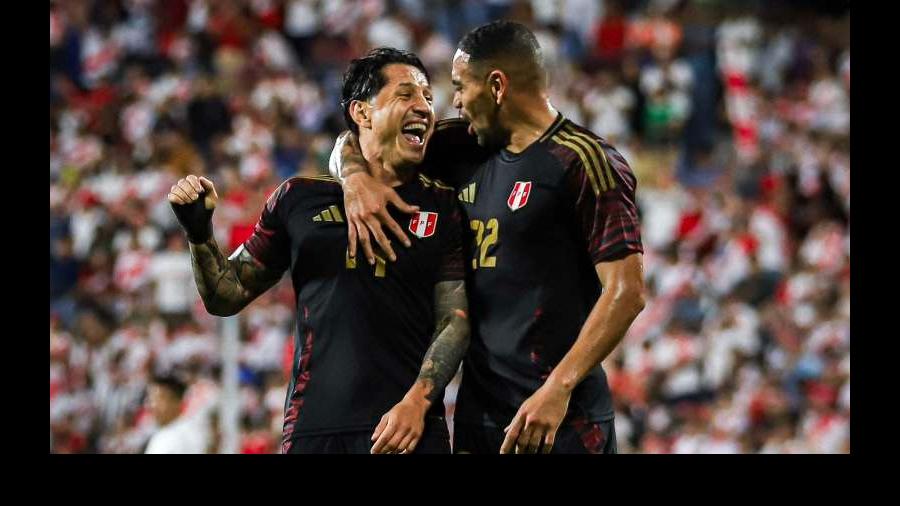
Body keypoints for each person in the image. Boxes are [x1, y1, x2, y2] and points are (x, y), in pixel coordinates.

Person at [331, 21, 645, 454]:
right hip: (481, 415)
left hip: (562, 417)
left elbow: (627, 291)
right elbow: (359, 139)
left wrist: (559, 387)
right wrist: (353, 180)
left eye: (460, 87)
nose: (453, 101)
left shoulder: (584, 161)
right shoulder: (463, 146)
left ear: (496, 85)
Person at [167, 47, 470, 454]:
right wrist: (198, 232)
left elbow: (454, 320)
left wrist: (418, 403)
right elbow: (225, 294)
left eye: (428, 97)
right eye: (406, 95)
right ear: (362, 113)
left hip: (408, 428)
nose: (424, 107)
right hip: (314, 429)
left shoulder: (444, 206)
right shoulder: (298, 199)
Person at [144, 374, 210, 454]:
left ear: (177, 402)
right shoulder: (164, 434)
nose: (151, 405)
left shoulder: (184, 436)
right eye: (150, 400)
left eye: (157, 399)